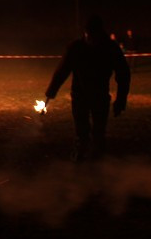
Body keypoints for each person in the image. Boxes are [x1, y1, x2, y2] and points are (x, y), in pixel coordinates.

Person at [43, 14, 131, 162]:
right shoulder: (76, 47)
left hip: (100, 96)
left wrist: (121, 100)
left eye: (93, 35)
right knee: (81, 129)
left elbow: (123, 74)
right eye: (88, 34)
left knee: (99, 130)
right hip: (79, 96)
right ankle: (81, 152)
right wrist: (50, 93)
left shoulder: (110, 48)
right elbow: (62, 71)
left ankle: (98, 157)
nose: (90, 38)